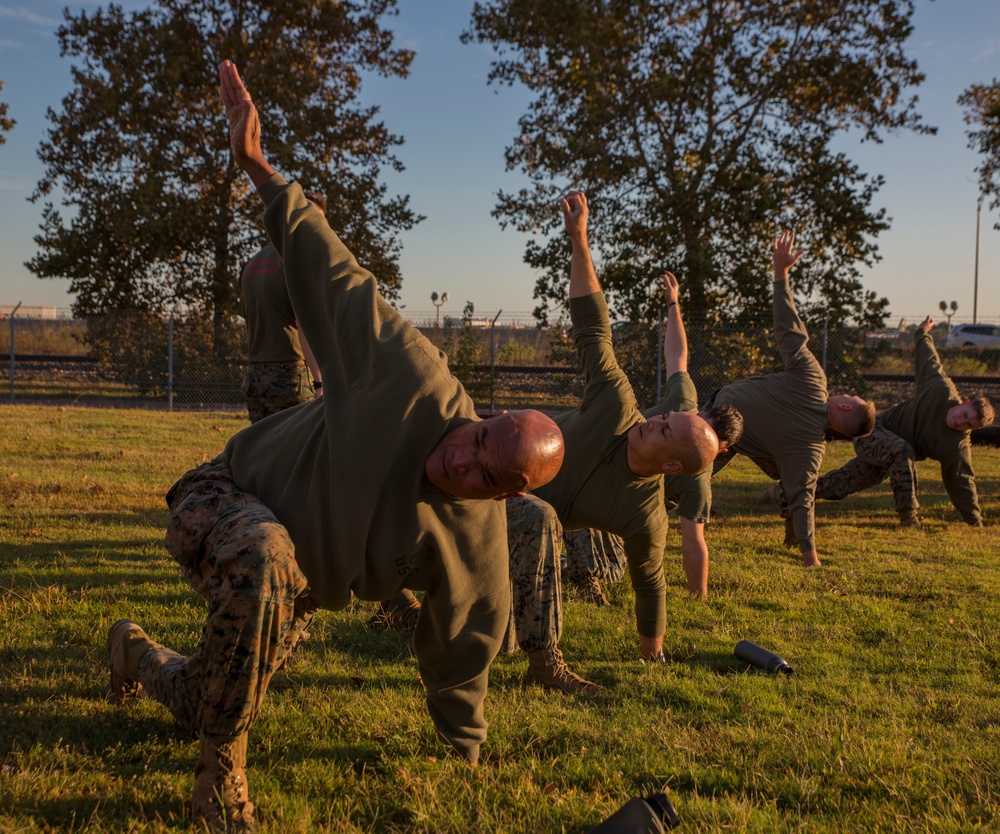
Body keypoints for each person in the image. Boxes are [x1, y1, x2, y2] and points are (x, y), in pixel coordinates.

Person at [106, 60, 565, 833]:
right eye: (479, 438)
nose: (463, 459)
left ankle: (137, 657)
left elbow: (470, 641)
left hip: (291, 585)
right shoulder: (411, 378)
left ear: (507, 496)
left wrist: (466, 752)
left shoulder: (476, 539)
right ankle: (220, 784)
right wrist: (258, 166)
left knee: (216, 696)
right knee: (265, 561)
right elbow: (340, 273)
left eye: (485, 473)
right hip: (223, 496)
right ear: (486, 414)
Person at [505, 191, 720, 694]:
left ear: (670, 468)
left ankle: (541, 662)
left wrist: (653, 653)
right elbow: (593, 329)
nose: (653, 422)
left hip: (520, 521)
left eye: (663, 430)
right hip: (497, 460)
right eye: (664, 417)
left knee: (534, 531)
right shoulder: (617, 403)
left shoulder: (646, 516)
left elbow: (650, 583)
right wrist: (580, 239)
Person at [561, 271, 744, 600]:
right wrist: (673, 304)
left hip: (611, 515)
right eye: (694, 418)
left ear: (719, 452)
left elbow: (694, 541)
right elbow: (677, 356)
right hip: (585, 469)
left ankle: (575, 568)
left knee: (610, 558)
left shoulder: (696, 481)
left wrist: (698, 597)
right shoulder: (683, 403)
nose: (690, 422)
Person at [710, 231, 876, 568]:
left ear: (845, 406)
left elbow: (789, 329)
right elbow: (804, 499)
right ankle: (793, 537)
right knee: (797, 482)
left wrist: (781, 273)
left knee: (684, 468)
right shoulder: (812, 448)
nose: (847, 393)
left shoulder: (814, 381)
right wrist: (809, 556)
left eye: (852, 396)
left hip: (717, 421)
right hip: (748, 441)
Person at [812, 315, 994, 527]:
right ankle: (909, 517)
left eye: (968, 425)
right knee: (903, 450)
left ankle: (785, 494)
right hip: (872, 431)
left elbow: (962, 482)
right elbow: (929, 359)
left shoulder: (956, 446)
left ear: (975, 429)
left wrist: (976, 523)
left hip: (892, 457)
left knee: (841, 484)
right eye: (964, 415)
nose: (960, 422)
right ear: (965, 402)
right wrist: (923, 332)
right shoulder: (940, 391)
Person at [238, 189, 326, 423]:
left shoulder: (250, 265)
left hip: (254, 377)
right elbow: (304, 327)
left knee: (261, 451)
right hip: (292, 379)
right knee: (297, 454)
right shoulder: (294, 263)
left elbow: (248, 326)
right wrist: (319, 382)